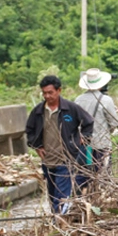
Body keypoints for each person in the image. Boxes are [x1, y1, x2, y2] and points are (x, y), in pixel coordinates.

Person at [25, 74, 94, 215]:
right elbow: (29, 130)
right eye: (44, 93)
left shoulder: (71, 108)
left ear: (59, 91)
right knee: (52, 195)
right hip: (48, 160)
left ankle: (59, 223)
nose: (47, 96)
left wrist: (82, 139)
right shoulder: (38, 111)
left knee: (61, 196)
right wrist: (37, 146)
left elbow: (88, 122)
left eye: (50, 92)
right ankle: (56, 220)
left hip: (66, 158)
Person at [74, 67, 118, 172]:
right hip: (102, 146)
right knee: (102, 176)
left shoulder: (78, 100)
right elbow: (114, 123)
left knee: (85, 175)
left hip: (84, 146)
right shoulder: (106, 100)